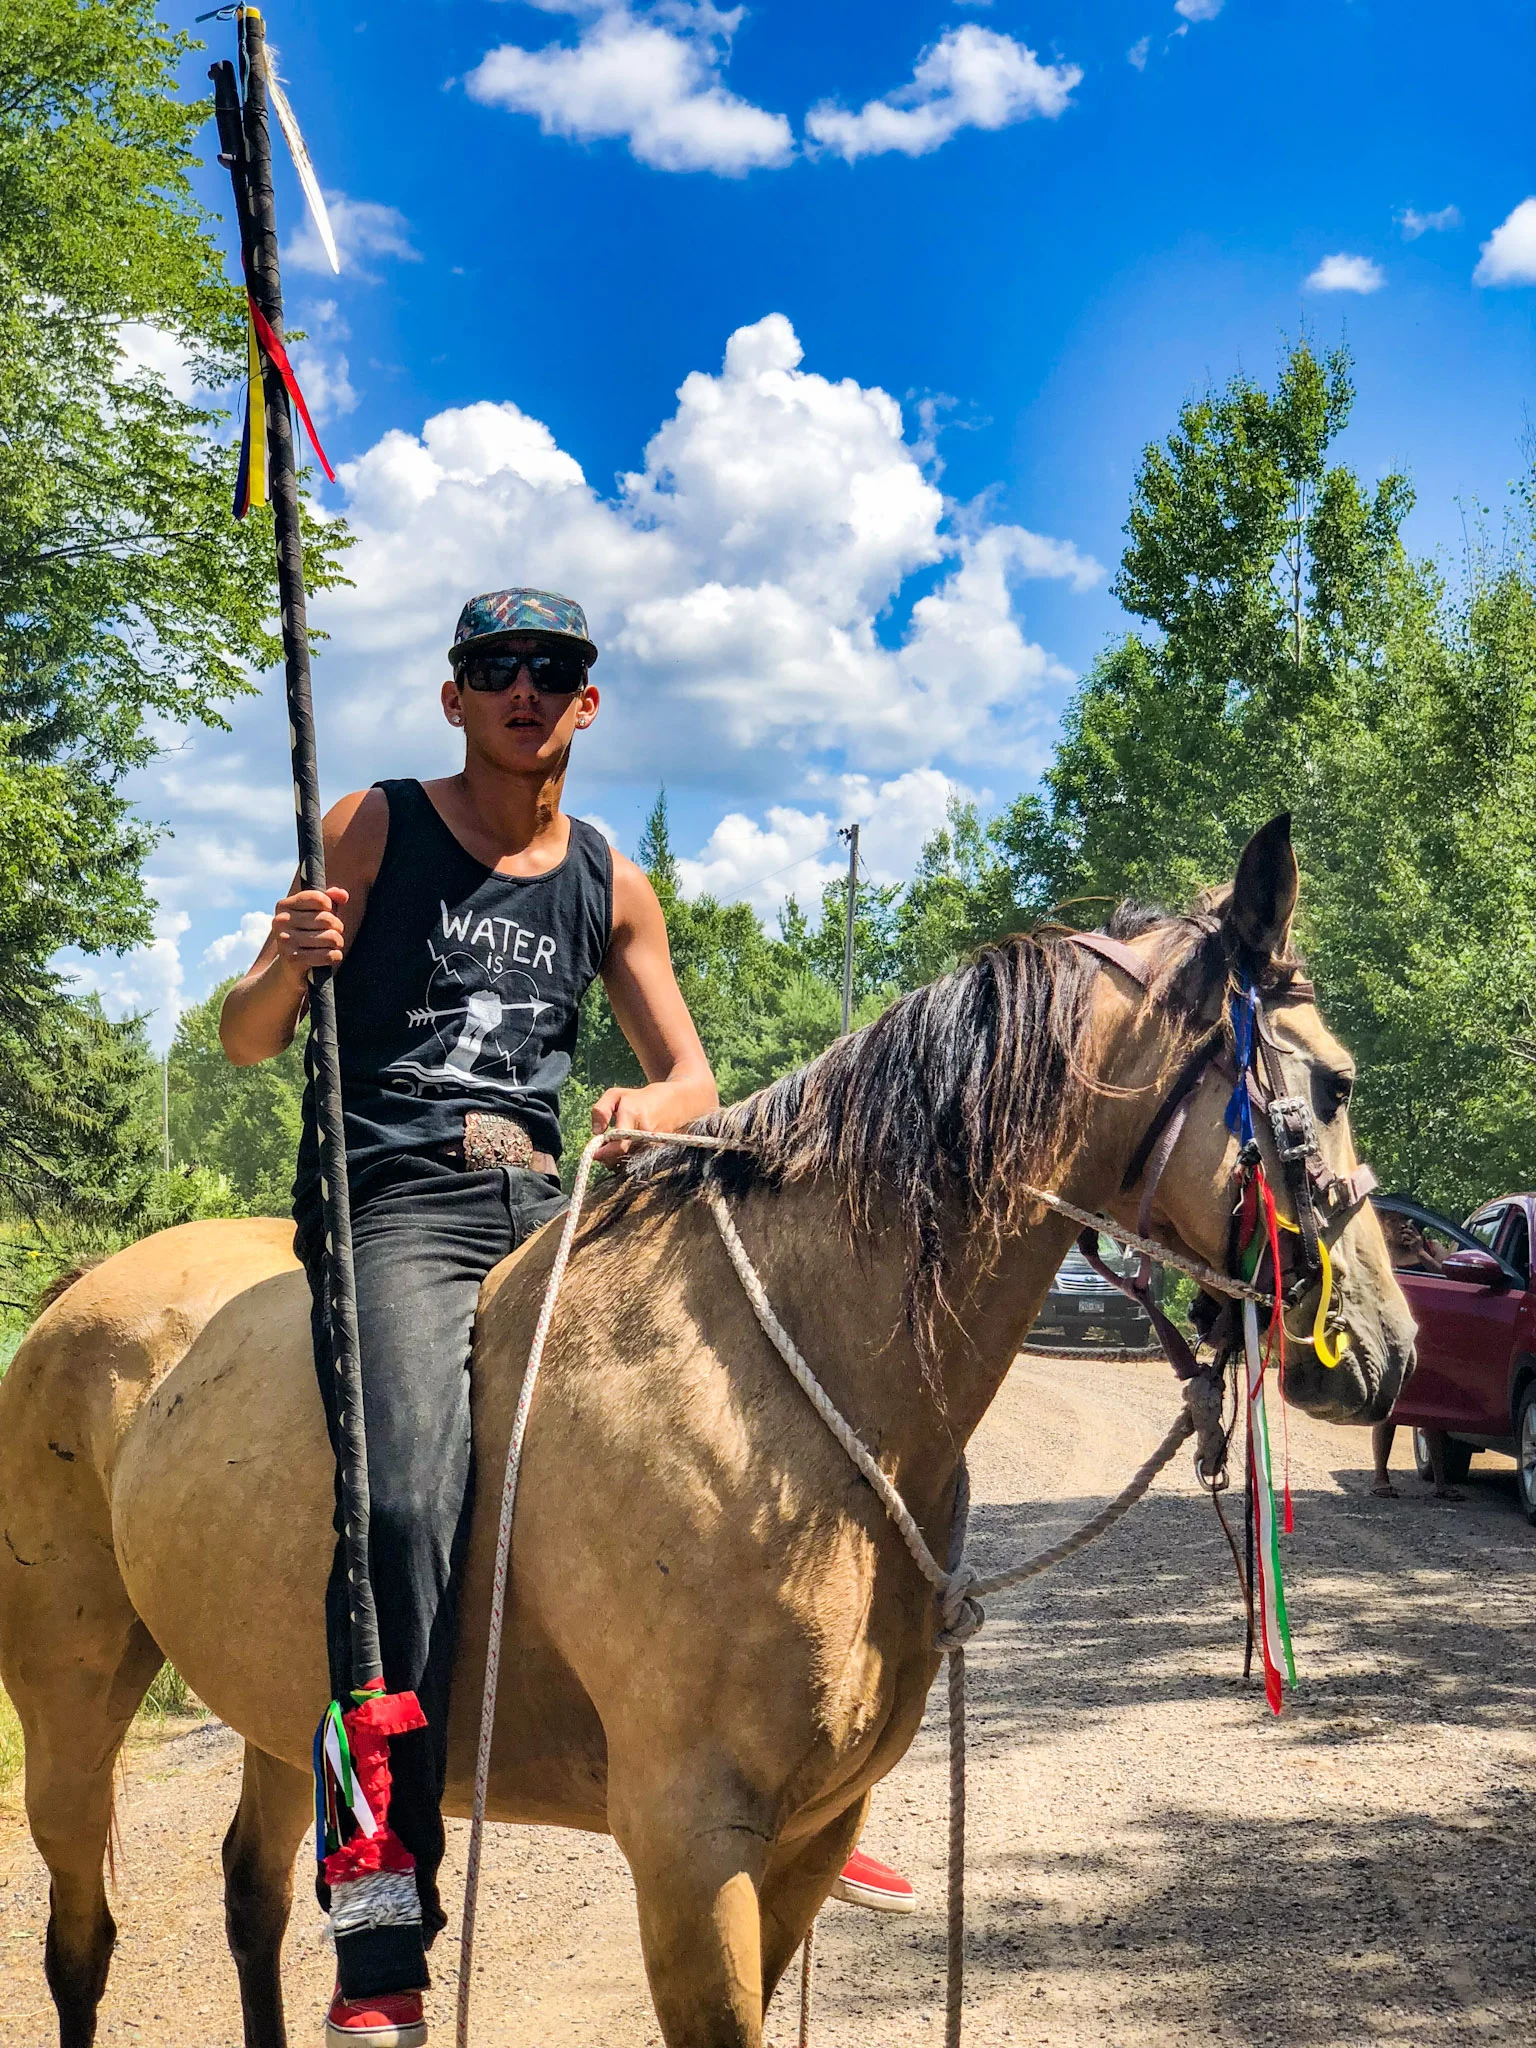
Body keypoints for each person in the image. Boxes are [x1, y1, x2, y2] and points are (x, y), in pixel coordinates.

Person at [220, 589, 912, 2048]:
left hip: (550, 1206)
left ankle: (803, 1792)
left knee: (727, 1433)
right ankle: (377, 1900)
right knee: (401, 1510)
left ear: (587, 703)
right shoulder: (376, 827)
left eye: (553, 670)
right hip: (392, 1204)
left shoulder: (609, 879)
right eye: (494, 668)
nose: (524, 689)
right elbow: (246, 1038)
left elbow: (694, 1081)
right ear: (455, 697)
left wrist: (644, 1106)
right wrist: (289, 956)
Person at [1371, 1210, 1458, 1500]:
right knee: (1388, 1407)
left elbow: (1454, 1284)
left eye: (1404, 1220)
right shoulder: (1378, 1251)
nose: (1400, 1226)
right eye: (1392, 1221)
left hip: (1431, 1338)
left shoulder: (1432, 1248)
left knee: (1432, 1410)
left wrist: (1420, 1253)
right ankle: (1380, 1477)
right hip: (1391, 1338)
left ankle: (1441, 1482)